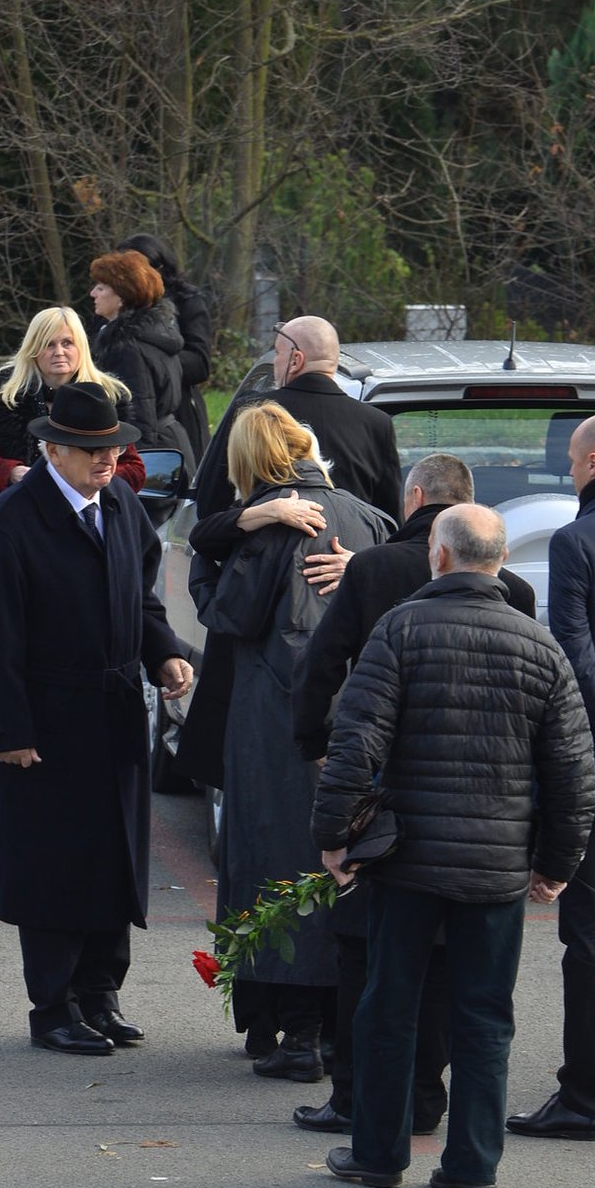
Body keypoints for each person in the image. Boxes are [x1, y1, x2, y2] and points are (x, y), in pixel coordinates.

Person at [313, 505, 594, 1188]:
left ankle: (377, 1155)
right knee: (484, 1015)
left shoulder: (401, 629)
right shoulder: (539, 645)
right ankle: (472, 1166)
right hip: (497, 866)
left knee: (389, 1006)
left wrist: (333, 836)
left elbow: (356, 741)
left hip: (409, 859)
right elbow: (571, 768)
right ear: (497, 561)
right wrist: (557, 863)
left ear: (437, 556)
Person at [289, 454, 536, 1136]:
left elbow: (325, 666)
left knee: (367, 952)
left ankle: (356, 1100)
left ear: (417, 500)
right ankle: (429, 1098)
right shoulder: (516, 593)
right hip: (489, 803)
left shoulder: (371, 572)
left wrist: (312, 742)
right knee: (450, 969)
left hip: (389, 794)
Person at [0, 381, 193, 1055]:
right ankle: (54, 1005)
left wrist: (164, 655)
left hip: (114, 708)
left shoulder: (121, 503)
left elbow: (142, 596)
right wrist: (8, 731)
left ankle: (101, 992)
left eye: (114, 448)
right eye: (93, 450)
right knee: (53, 865)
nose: (108, 460)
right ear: (53, 450)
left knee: (113, 856)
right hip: (48, 715)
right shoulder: (14, 519)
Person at [185, 400, 391, 1075]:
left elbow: (226, 611)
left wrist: (216, 552)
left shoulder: (273, 529)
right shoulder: (364, 519)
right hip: (364, 721)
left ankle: (294, 1032)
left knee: (280, 865)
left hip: (277, 722)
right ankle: (339, 1030)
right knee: (347, 867)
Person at [507, 412, 595, 1142]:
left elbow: (574, 655)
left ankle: (583, 1098)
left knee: (587, 938)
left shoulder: (577, 540)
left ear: (589, 463)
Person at [195, 314, 402, 523]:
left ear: (296, 360)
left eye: (278, 353)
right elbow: (389, 519)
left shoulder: (252, 414)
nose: (276, 360)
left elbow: (210, 506)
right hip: (350, 551)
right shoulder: (377, 423)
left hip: (266, 552)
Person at [0, 306, 145, 527]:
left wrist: (86, 480)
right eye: (49, 344)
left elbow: (134, 470)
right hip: (17, 520)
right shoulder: (3, 398)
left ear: (80, 347)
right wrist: (10, 472)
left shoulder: (105, 398)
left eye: (67, 343)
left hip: (88, 522)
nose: (59, 351)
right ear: (33, 350)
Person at [89, 250, 193, 464]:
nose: (93, 293)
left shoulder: (126, 346)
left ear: (121, 297)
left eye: (100, 288)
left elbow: (139, 417)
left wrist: (133, 471)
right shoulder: (152, 332)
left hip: (155, 456)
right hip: (170, 446)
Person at [117, 233, 212, 462]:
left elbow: (200, 363)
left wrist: (149, 360)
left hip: (175, 408)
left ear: (158, 267)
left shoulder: (187, 301)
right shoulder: (116, 304)